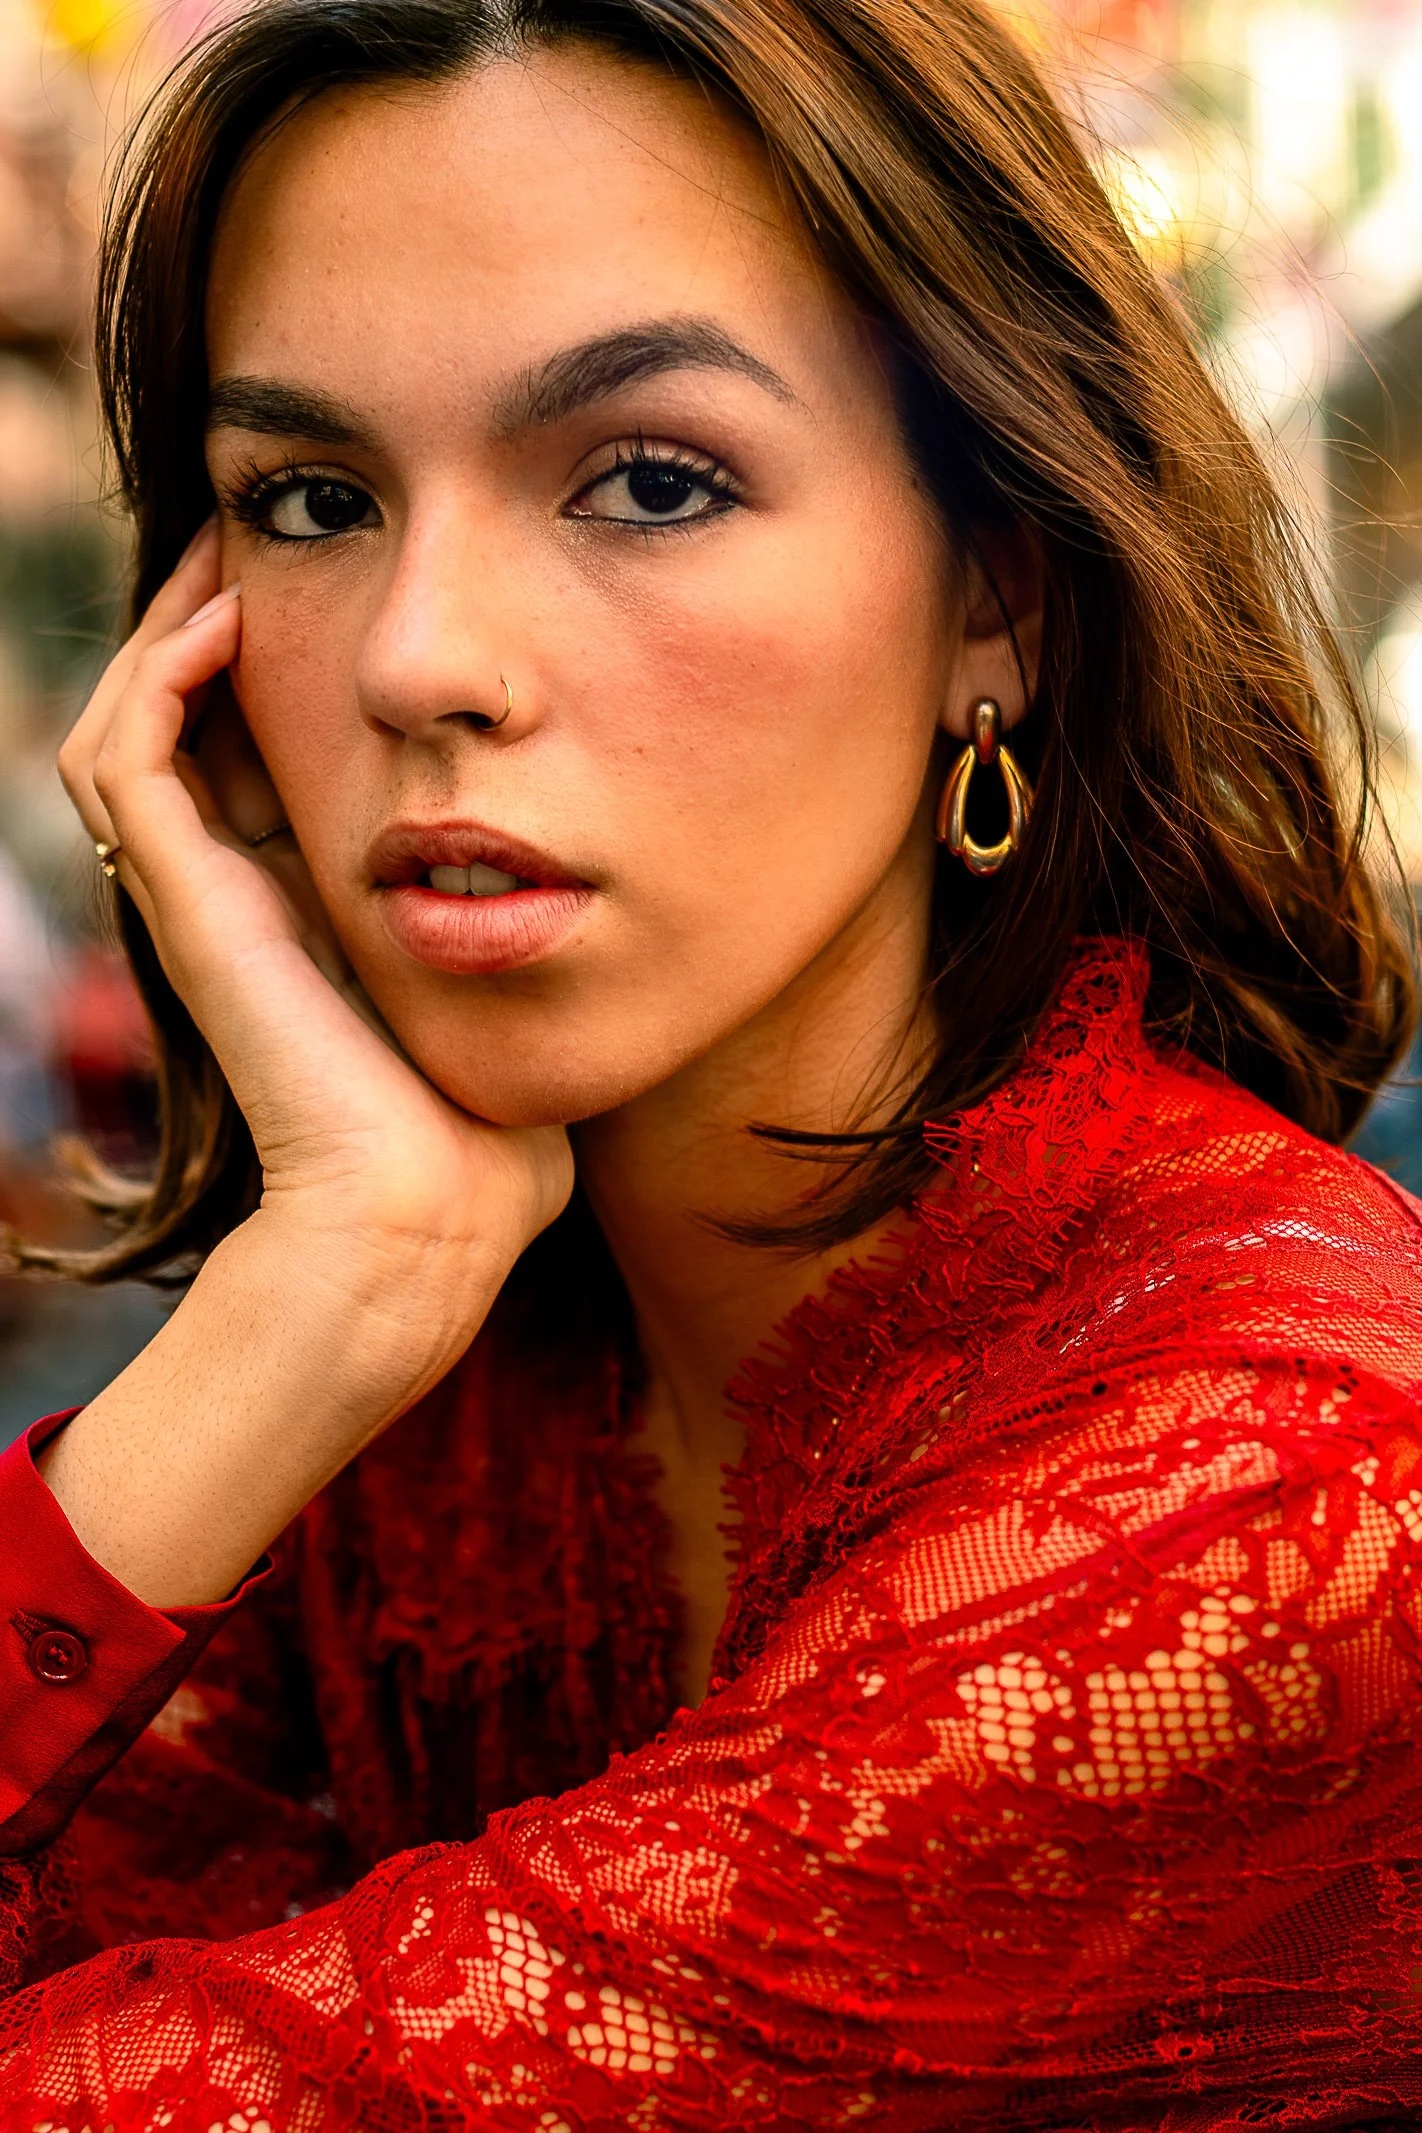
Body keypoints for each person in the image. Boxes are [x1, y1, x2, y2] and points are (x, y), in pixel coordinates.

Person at [1, 0, 1421, 2122]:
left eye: (650, 480)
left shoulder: (1275, 1485)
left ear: (998, 598)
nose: (419, 657)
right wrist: (316, 1302)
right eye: (307, 499)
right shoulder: (457, 1380)